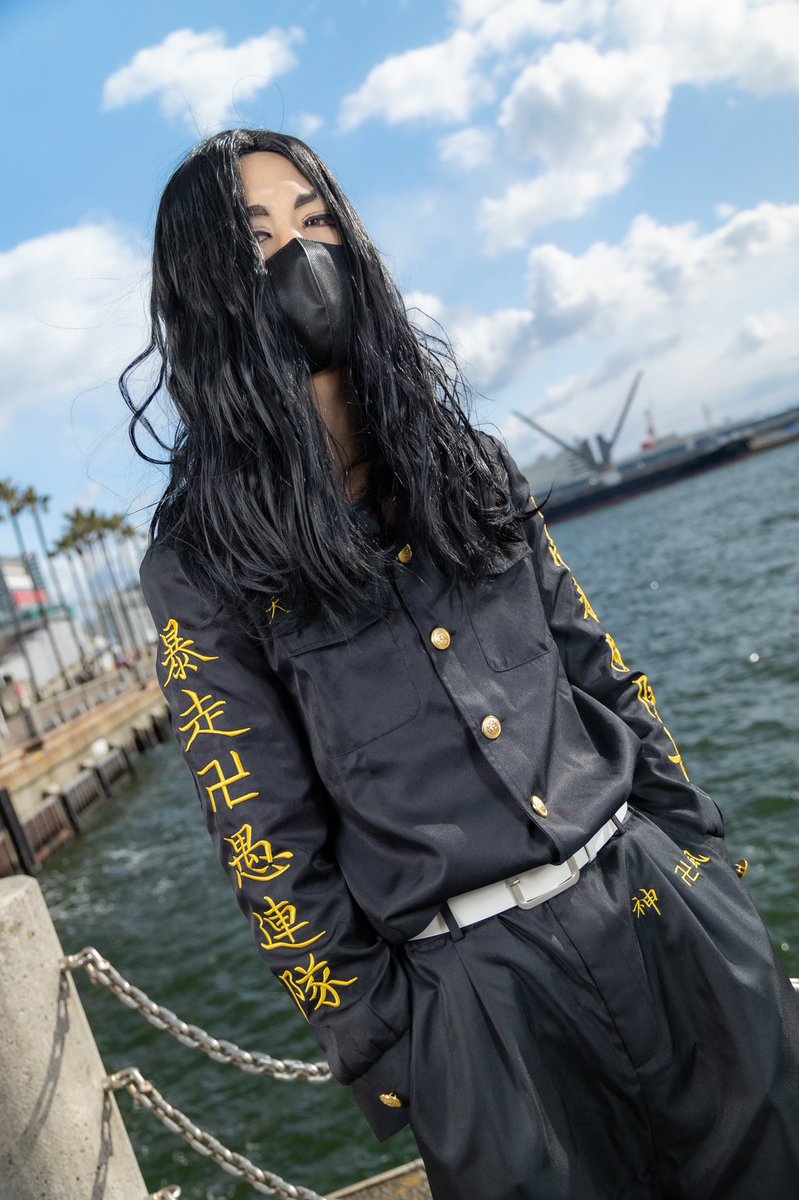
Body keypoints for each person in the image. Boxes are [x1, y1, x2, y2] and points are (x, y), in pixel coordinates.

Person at [129, 129, 799, 1200]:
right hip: (479, 1006)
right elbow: (263, 836)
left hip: (653, 901)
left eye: (316, 221)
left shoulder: (466, 460)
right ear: (207, 293)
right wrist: (395, 1046)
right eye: (259, 242)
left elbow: (598, 670)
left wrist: (702, 860)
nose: (302, 259)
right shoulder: (202, 566)